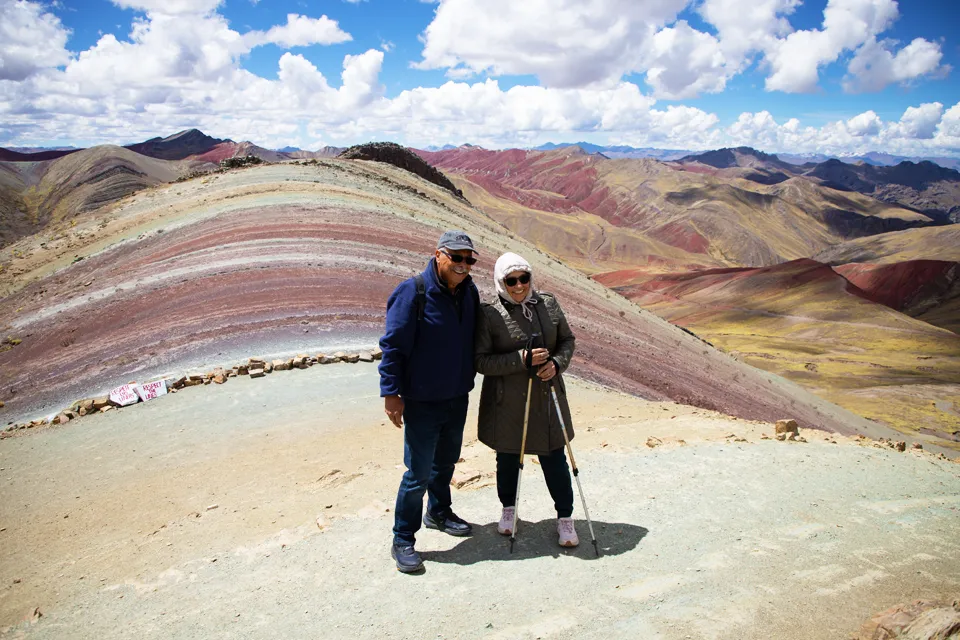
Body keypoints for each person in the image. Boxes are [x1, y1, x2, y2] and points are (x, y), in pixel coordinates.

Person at [379, 230, 481, 573]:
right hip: (421, 400)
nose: (464, 266)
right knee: (417, 472)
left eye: (469, 260)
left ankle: (439, 512)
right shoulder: (413, 292)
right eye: (457, 258)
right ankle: (403, 538)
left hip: (457, 395)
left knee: (447, 462)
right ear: (438, 255)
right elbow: (393, 345)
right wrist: (391, 393)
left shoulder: (469, 292)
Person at [474, 252, 579, 547]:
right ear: (500, 281)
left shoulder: (548, 304)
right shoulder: (489, 313)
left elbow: (567, 340)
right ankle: (509, 510)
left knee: (554, 457)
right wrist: (520, 359)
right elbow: (481, 361)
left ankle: (565, 518)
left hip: (547, 396)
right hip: (508, 401)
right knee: (507, 456)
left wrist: (557, 363)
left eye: (524, 278)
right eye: (511, 280)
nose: (519, 286)